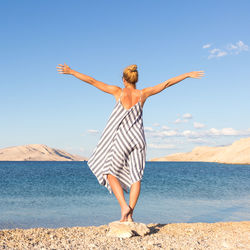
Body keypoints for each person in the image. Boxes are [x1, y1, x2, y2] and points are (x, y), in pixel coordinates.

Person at [56, 63, 204, 222]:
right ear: (136, 79)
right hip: (138, 139)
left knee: (109, 173)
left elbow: (92, 81)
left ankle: (124, 207)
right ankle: (130, 216)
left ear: (124, 80)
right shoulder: (143, 94)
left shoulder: (117, 92)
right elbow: (166, 83)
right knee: (136, 177)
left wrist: (71, 72)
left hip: (122, 139)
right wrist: (187, 74)